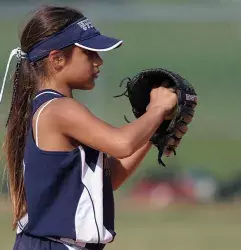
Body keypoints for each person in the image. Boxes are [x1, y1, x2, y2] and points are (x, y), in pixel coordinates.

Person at [0, 5, 186, 250]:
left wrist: (155, 131)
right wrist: (157, 109)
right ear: (57, 59)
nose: (99, 61)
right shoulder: (59, 109)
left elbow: (108, 179)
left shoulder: (54, 108)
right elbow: (122, 144)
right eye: (89, 53)